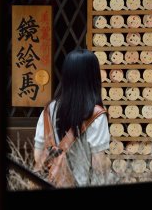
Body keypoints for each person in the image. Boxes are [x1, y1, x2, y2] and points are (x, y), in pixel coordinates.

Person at [33, 48, 111, 187]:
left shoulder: (48, 110)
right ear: (94, 76)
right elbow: (99, 165)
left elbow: (38, 156)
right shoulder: (96, 115)